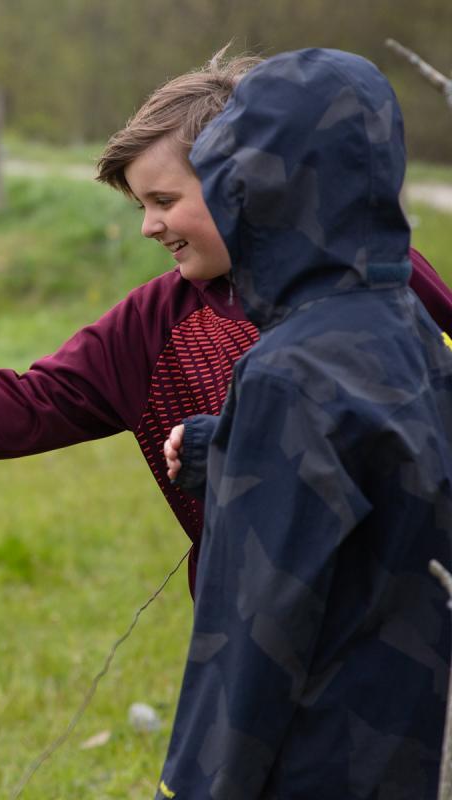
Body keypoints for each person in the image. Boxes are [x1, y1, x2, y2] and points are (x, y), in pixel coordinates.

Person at [0, 47, 452, 598]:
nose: (149, 226)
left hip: (414, 618)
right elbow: (23, 405)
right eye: (139, 205)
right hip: (255, 645)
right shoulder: (153, 328)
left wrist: (239, 447)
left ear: (240, 180)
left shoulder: (380, 280)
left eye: (163, 200)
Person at [152, 48, 452, 799]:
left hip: (323, 763)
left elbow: (252, 639)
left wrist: (193, 788)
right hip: (415, 743)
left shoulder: (289, 374)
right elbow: (393, 481)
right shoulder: (410, 328)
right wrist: (229, 449)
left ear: (249, 187)